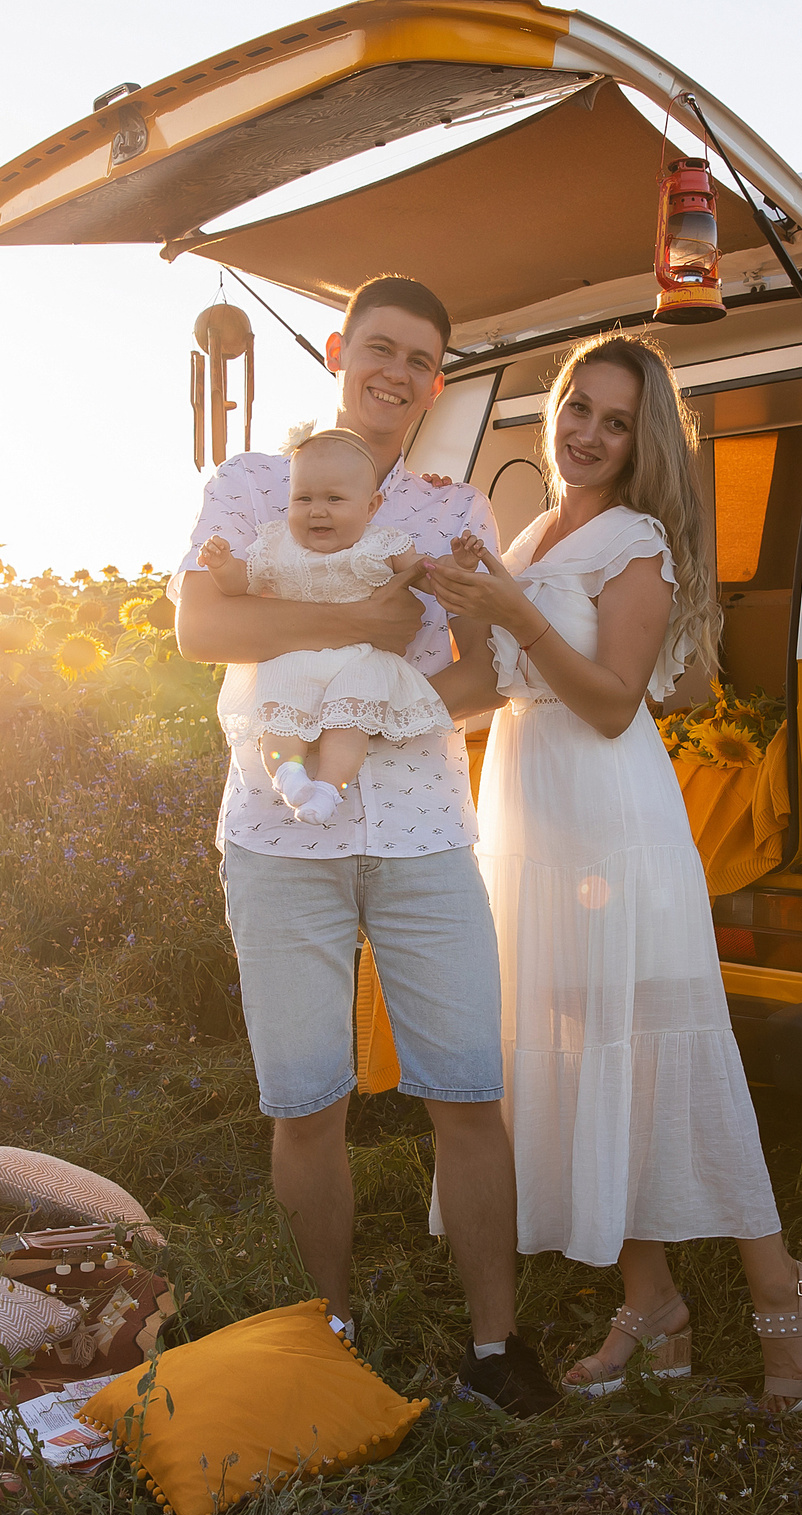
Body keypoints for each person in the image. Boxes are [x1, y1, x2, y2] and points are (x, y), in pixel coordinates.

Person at [425, 331, 802, 1415]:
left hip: (614, 821)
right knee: (580, 1054)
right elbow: (489, 689)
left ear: (640, 440)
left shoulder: (637, 543)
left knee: (669, 1052)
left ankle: (789, 1294)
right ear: (556, 409)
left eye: (614, 422)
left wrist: (514, 611)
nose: (586, 435)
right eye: (578, 409)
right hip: (531, 818)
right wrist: (350, 702)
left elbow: (617, 700)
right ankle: (652, 1302)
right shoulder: (529, 530)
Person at [170, 274, 558, 1418]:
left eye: (421, 359)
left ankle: (496, 1346)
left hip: (426, 832)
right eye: (379, 347)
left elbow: (484, 675)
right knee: (306, 1102)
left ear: (437, 379)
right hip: (276, 837)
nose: (397, 372)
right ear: (340, 350)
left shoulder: (456, 510)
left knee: (467, 1093)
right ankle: (326, 1336)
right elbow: (202, 626)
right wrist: (363, 624)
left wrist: (389, 705)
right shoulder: (248, 485)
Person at [199, 425, 453, 826]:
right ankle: (288, 775)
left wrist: (462, 566)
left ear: (371, 507)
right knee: (279, 712)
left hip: (360, 660)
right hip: (293, 652)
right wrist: (220, 565)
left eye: (334, 499)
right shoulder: (277, 544)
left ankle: (329, 787)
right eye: (304, 499)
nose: (317, 510)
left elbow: (429, 574)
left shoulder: (382, 543)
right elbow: (241, 583)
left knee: (349, 725)